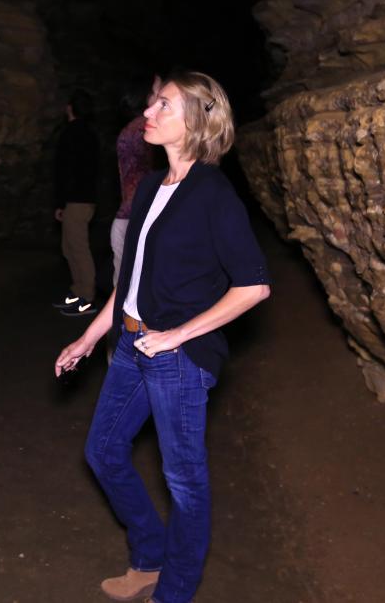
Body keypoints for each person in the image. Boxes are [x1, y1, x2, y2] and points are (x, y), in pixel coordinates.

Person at [54, 72, 271, 603]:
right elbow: (130, 278)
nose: (149, 112)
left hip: (177, 357)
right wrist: (88, 337)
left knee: (185, 482)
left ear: (198, 122)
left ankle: (174, 591)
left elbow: (254, 286)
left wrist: (179, 334)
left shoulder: (214, 193)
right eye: (153, 102)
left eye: (164, 106)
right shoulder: (151, 185)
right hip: (130, 345)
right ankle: (149, 556)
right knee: (103, 451)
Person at [52, 89, 99, 316]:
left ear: (70, 108)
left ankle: (87, 298)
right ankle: (78, 292)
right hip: (84, 199)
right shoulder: (90, 134)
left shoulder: (70, 134)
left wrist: (60, 202)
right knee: (69, 247)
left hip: (76, 200)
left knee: (78, 248)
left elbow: (65, 171)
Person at [111, 75, 161, 283]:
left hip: (129, 218)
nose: (163, 96)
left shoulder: (132, 129)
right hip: (137, 219)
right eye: (159, 91)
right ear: (146, 97)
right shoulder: (148, 130)